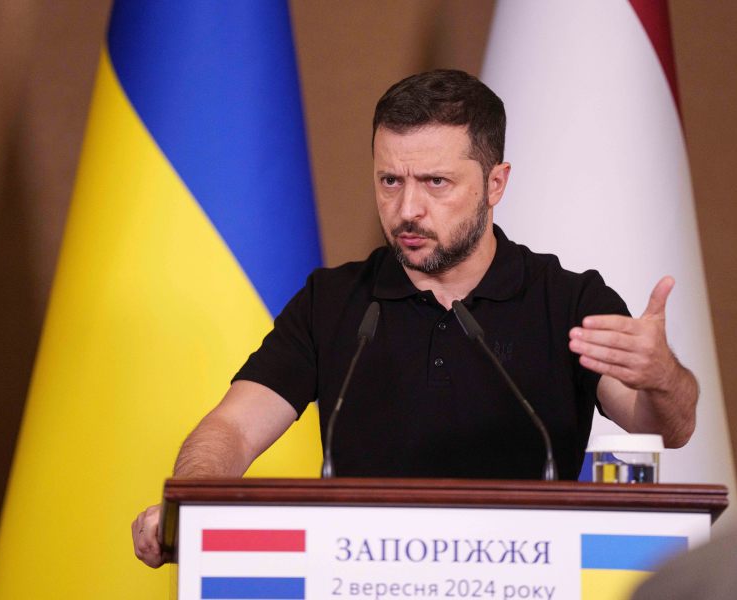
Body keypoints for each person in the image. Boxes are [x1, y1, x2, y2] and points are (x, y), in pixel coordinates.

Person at [132, 69, 698, 568]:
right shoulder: (333, 300)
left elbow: (663, 426)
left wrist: (662, 376)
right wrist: (193, 506)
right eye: (390, 181)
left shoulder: (569, 301)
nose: (407, 210)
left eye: (436, 182)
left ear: (495, 183)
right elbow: (232, 427)